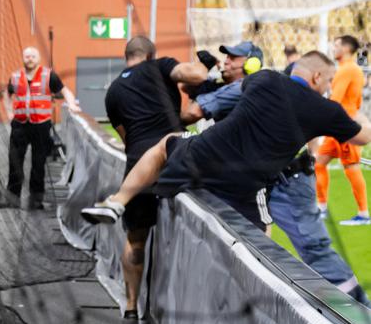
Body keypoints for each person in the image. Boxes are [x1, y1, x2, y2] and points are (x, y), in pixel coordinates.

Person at [83, 52, 371, 246]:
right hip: (246, 179)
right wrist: (352, 108)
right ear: (318, 78)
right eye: (329, 79)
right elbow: (363, 137)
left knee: (163, 146)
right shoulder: (326, 109)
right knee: (259, 238)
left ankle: (117, 201)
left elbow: (244, 90)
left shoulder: (264, 78)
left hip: (204, 155)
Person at [183, 42, 365, 303]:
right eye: (226, 58)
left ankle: (354, 307)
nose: (226, 62)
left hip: (284, 181)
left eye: (234, 58)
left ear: (252, 63)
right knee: (248, 240)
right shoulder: (247, 87)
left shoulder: (264, 84)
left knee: (300, 245)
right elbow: (194, 108)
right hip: (250, 182)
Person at [100, 35, 200, 324]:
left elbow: (126, 136)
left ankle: (130, 308)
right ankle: (180, 317)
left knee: (136, 238)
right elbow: (194, 74)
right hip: (174, 159)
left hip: (137, 166)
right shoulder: (160, 67)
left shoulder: (114, 90)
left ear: (126, 56)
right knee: (188, 232)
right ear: (151, 54)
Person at [0, 45, 79, 210]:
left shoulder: (49, 75)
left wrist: (71, 104)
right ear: (23, 58)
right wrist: (9, 113)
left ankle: (36, 200)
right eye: (26, 56)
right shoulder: (15, 76)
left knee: (38, 163)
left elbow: (65, 91)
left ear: (38, 59)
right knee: (14, 162)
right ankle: (12, 199)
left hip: (41, 126)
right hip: (20, 125)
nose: (29, 59)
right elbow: (7, 95)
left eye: (32, 56)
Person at [315, 35, 369, 225]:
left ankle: (363, 214)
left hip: (344, 126)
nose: (333, 47)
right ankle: (321, 209)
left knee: (351, 167)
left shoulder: (348, 69)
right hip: (339, 124)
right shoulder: (349, 69)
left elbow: (336, 99)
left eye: (336, 45)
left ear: (345, 48)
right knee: (320, 162)